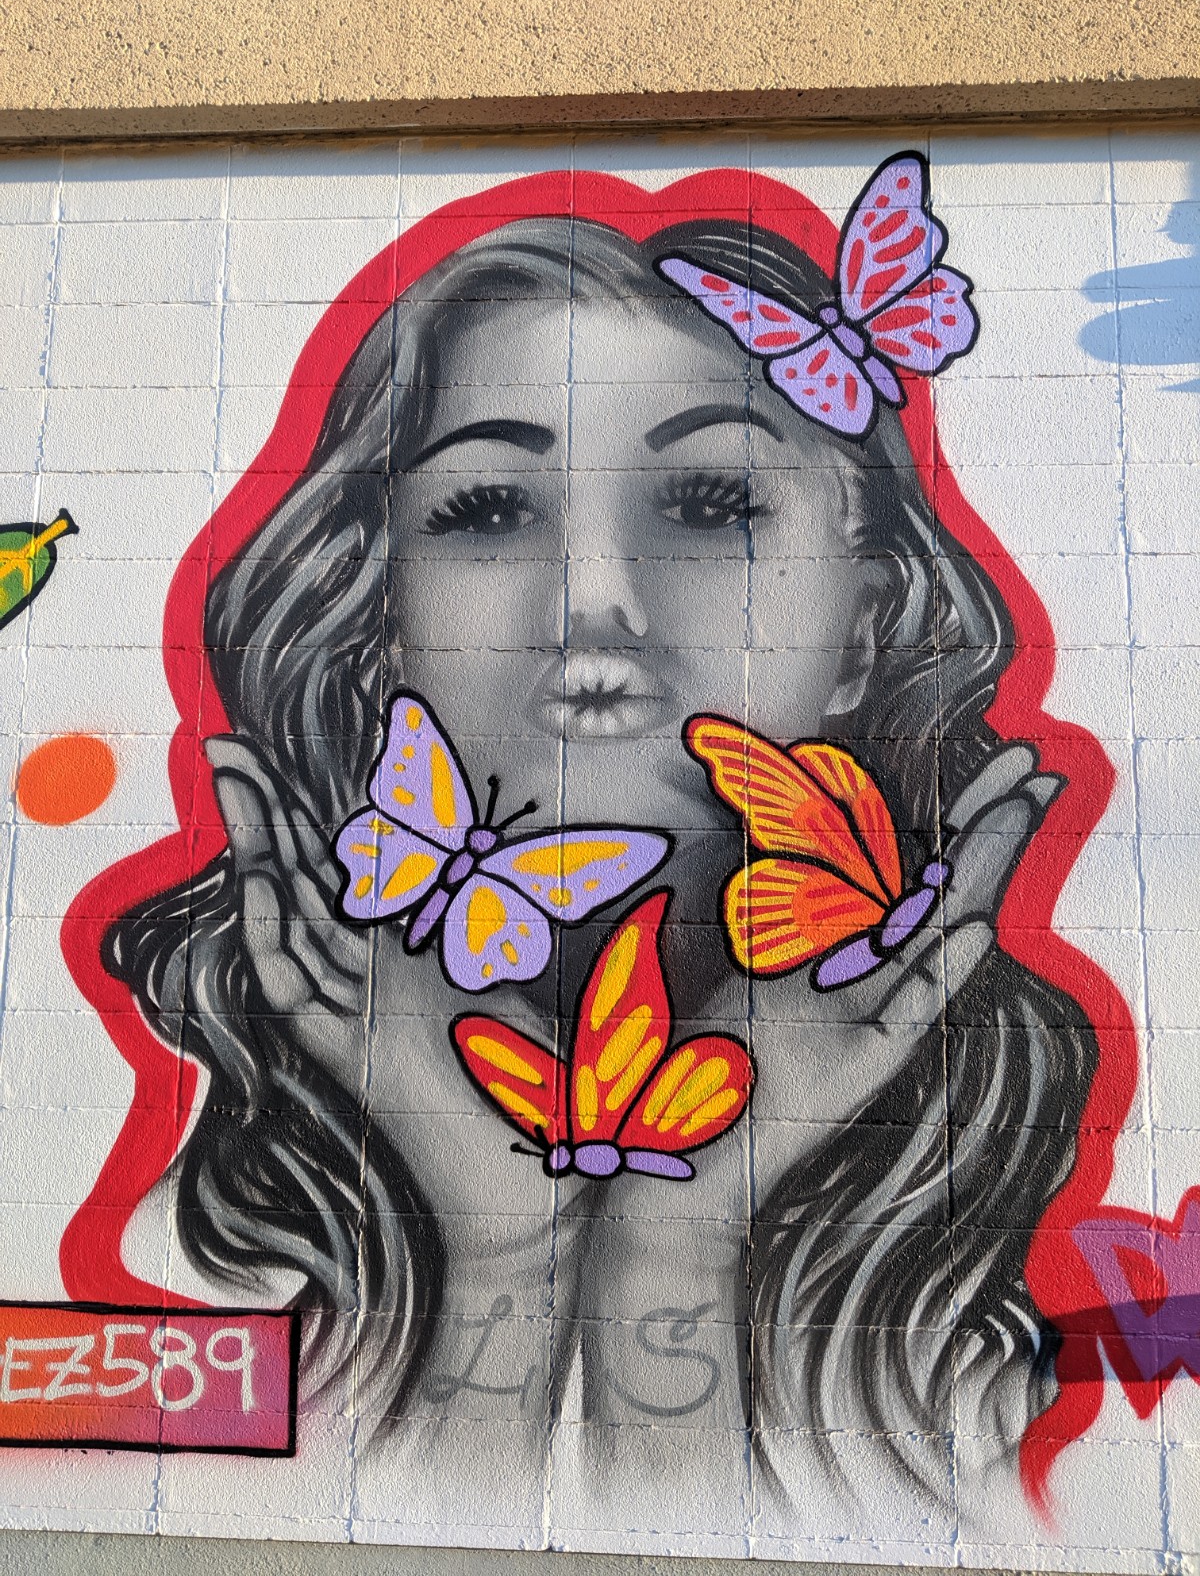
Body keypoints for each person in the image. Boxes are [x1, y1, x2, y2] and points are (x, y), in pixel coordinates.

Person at [98, 200, 1097, 1533]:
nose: (593, 600)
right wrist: (499, 1248)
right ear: (381, 622)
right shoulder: (222, 1210)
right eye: (488, 508)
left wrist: (675, 1242)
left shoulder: (983, 1232)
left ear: (866, 631)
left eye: (709, 503)